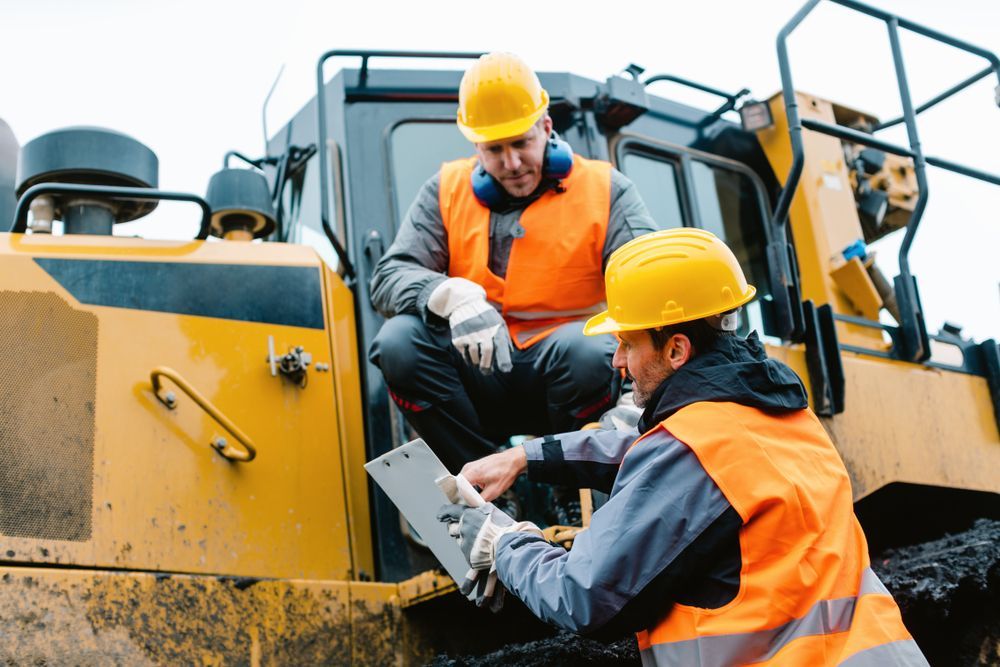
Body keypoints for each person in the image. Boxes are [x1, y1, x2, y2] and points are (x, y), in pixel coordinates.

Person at [438, 228, 927, 666]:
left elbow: (582, 598)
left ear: (676, 349)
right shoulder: (779, 416)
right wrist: (525, 457)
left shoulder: (694, 449)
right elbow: (649, 450)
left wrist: (504, 544)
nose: (618, 361)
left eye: (628, 343)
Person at [369, 52, 656, 474]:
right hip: (476, 378)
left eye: (521, 143)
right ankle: (480, 485)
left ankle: (571, 480)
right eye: (494, 150)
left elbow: (652, 285)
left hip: (574, 381)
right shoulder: (445, 190)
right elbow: (389, 277)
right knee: (398, 343)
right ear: (475, 147)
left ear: (546, 127)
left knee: (588, 350)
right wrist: (447, 295)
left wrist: (639, 397)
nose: (512, 163)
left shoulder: (606, 190)